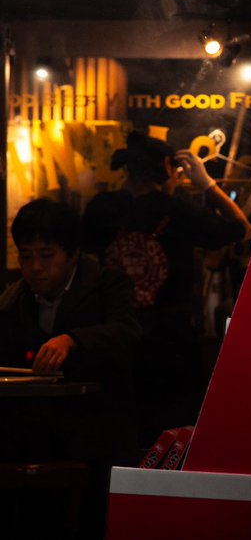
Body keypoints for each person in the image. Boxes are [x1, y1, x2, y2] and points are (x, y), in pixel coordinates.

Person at [82, 129, 251, 444]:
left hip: (112, 342)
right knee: (170, 438)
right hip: (171, 345)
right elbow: (242, 229)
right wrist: (208, 185)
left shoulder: (100, 208)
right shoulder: (176, 210)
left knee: (117, 437)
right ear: (165, 168)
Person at [0, 198, 141, 538]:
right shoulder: (14, 298)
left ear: (73, 253)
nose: (35, 267)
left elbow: (128, 332)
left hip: (96, 433)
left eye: (46, 255)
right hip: (33, 437)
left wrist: (72, 340)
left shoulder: (108, 283)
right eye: (26, 255)